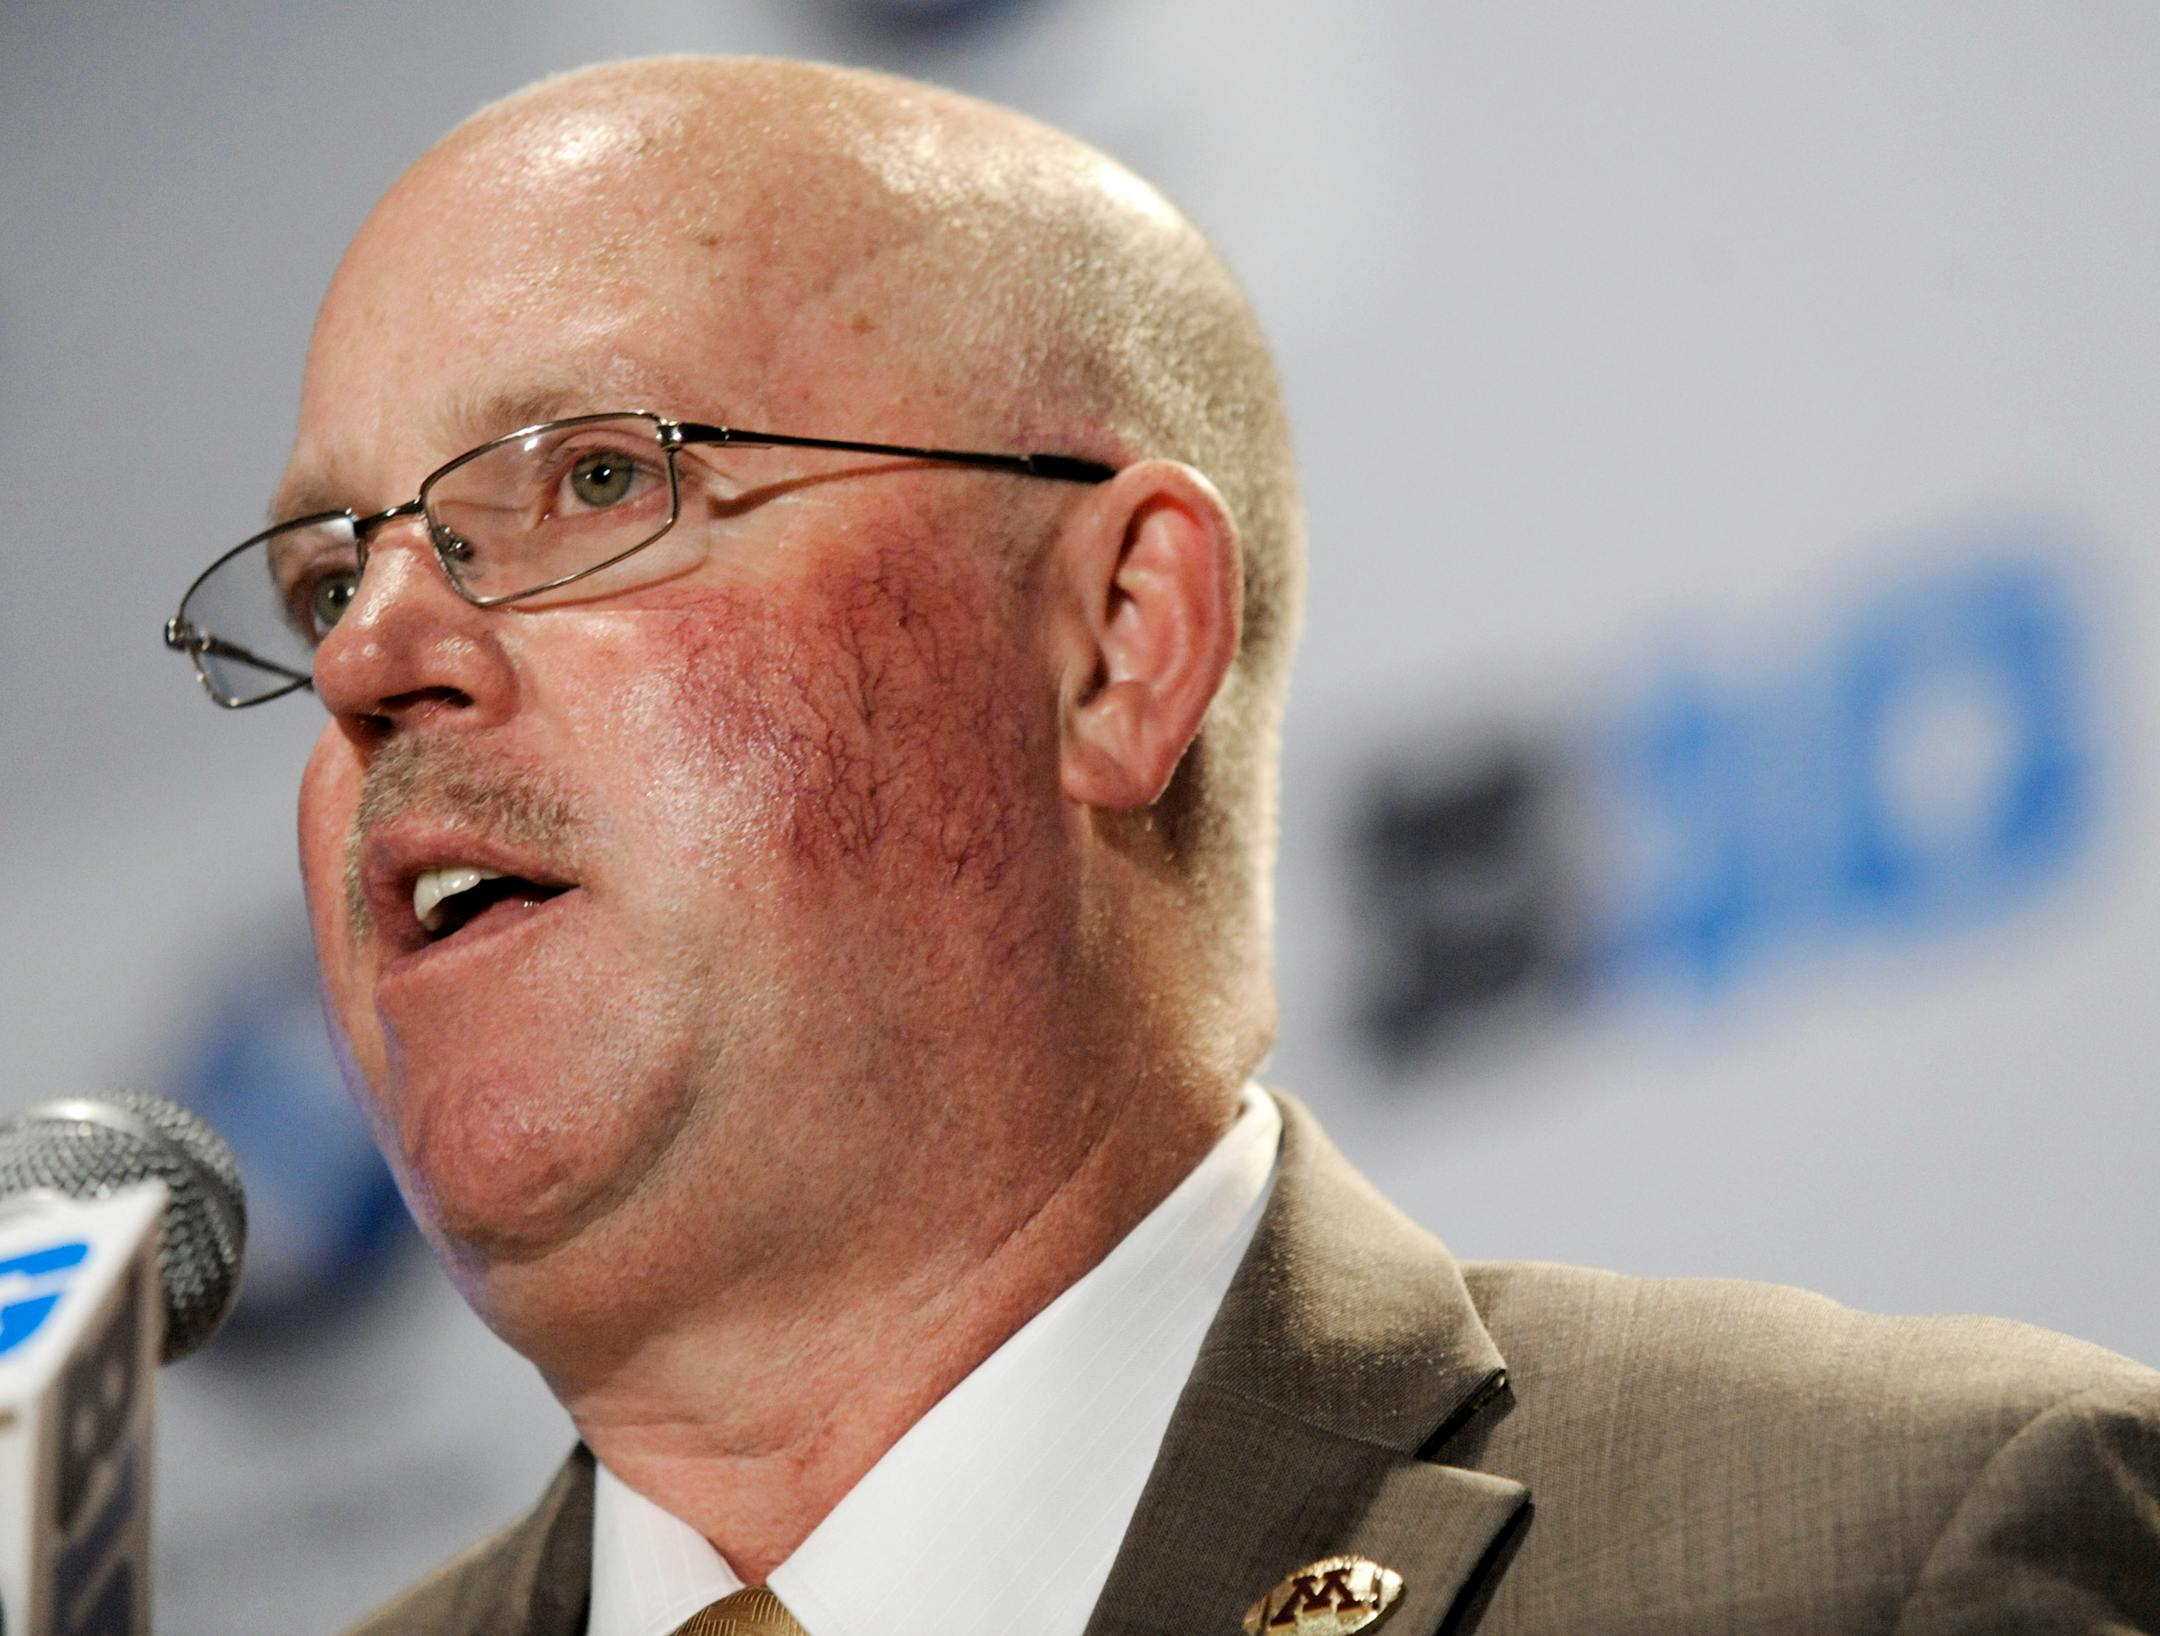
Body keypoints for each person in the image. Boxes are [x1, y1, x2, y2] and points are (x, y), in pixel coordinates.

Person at [162, 55, 2159, 1636]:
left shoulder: (1881, 1554)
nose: (374, 653)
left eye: (598, 476)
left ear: (1117, 644)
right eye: (333, 571)